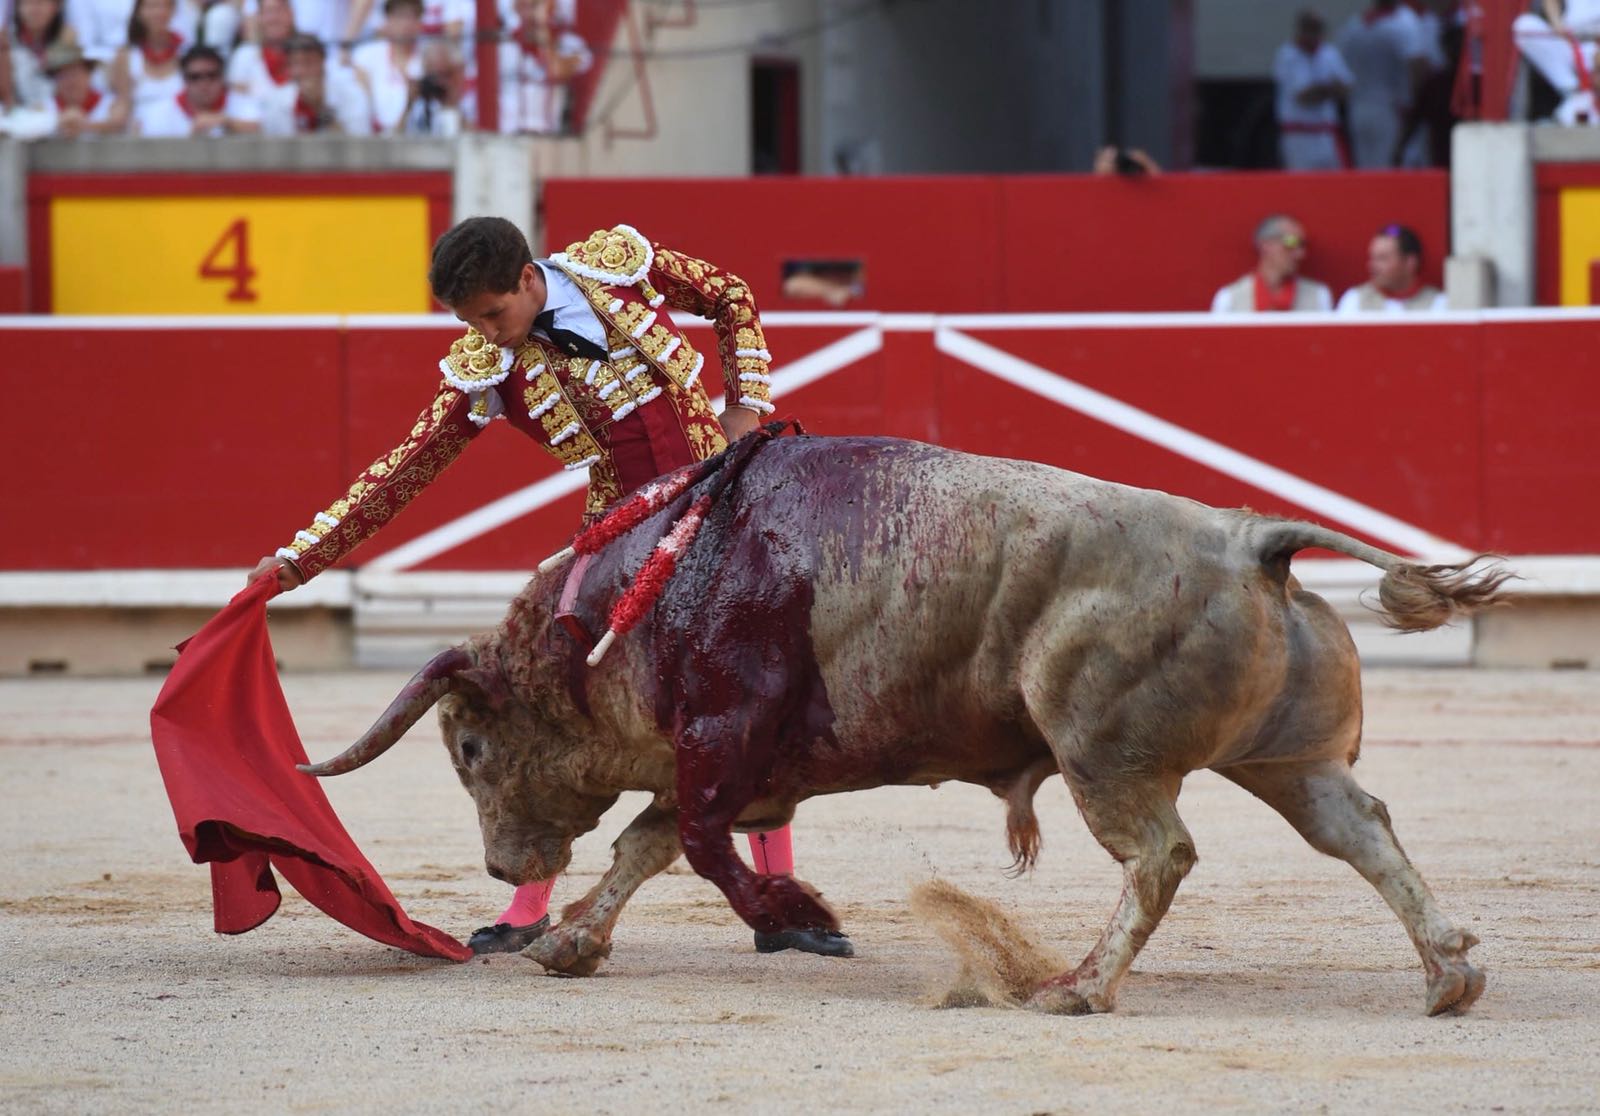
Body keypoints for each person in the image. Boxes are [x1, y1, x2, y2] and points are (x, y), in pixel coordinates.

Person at [248, 218, 854, 961]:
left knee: (755, 694)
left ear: (529, 280)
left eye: (493, 315)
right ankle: (529, 904)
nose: (484, 333)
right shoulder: (484, 369)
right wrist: (298, 561)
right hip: (619, 544)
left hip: (728, 504)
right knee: (563, 717)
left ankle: (778, 903)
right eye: (469, 320)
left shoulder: (620, 268)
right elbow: (402, 470)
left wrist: (747, 407)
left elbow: (731, 297)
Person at [1336, 0, 1428, 167]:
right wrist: (1416, 107)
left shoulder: (1354, 24)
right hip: (1391, 108)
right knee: (1391, 168)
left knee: (1366, 170)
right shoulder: (1405, 21)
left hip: (1358, 108)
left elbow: (1341, 70)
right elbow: (1417, 66)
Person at [1273, 8, 1353, 170]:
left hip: (1326, 135)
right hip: (1299, 137)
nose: (1314, 34)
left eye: (1318, 29)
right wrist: (1330, 88)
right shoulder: (1287, 55)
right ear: (1301, 29)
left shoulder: (1329, 53)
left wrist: (1323, 90)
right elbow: (1304, 96)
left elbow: (1347, 87)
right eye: (1310, 28)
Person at [497, 0, 588, 135]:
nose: (530, 12)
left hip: (546, 135)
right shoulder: (503, 44)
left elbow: (557, 72)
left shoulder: (569, 42)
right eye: (524, 5)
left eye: (535, 5)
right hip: (507, 133)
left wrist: (543, 30)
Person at [1210, 214, 1333, 313]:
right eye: (1291, 243)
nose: (1300, 254)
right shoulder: (1229, 299)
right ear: (1266, 245)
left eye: (1302, 245)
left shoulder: (1319, 296)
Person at [134, 41, 260, 132]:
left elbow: (259, 128)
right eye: (195, 77)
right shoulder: (161, 113)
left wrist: (226, 122)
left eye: (211, 75)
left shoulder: (240, 103)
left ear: (222, 78)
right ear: (184, 80)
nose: (204, 83)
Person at [260, 31, 366, 132]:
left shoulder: (351, 95)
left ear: (323, 62)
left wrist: (319, 108)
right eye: (295, 63)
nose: (301, 71)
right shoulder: (276, 99)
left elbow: (358, 142)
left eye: (308, 62)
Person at [1514, 0, 1600, 125]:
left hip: (1596, 39)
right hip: (1572, 40)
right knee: (1524, 26)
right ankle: (1573, 90)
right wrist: (1556, 23)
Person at [1335, 224, 1447, 312]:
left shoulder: (1439, 303)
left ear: (1410, 263)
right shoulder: (1354, 300)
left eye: (1382, 258)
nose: (1373, 266)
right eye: (1373, 258)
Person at [348, 0, 419, 133]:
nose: (406, 23)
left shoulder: (427, 60)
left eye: (413, 16)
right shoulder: (365, 56)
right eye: (400, 16)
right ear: (387, 20)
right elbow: (362, 109)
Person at [4, 0, 80, 109]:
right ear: (17, 7)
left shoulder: (68, 38)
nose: (35, 9)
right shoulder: (6, 41)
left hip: (57, 113)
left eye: (41, 2)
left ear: (56, 6)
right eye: (28, 3)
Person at [225, 0, 292, 103]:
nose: (274, 18)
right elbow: (237, 105)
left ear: (291, 14)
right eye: (268, 12)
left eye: (279, 10)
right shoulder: (244, 56)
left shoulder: (307, 57)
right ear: (259, 18)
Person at [43, 40, 118, 131]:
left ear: (88, 74)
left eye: (75, 73)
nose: (71, 81)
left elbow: (118, 125)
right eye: (64, 75)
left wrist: (84, 125)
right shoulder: (45, 108)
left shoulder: (110, 105)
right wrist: (58, 122)